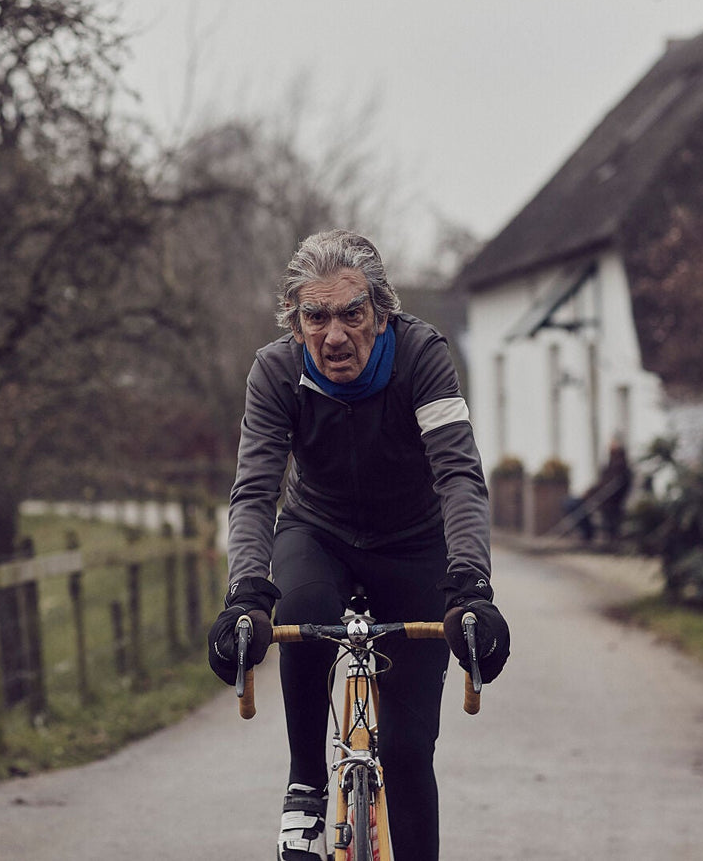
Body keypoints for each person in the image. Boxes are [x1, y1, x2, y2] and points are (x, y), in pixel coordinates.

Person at [206, 230, 510, 861]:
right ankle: (306, 785)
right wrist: (243, 596)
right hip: (320, 531)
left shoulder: (422, 356)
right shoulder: (276, 371)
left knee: (405, 750)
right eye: (315, 317)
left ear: (382, 311)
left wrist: (472, 587)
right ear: (295, 323)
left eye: (352, 314)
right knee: (301, 606)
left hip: (415, 543)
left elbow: (458, 475)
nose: (335, 335)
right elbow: (257, 490)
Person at [563, 436, 633, 546]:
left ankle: (588, 534)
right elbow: (600, 484)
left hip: (605, 501)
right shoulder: (608, 467)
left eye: (613, 450)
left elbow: (610, 489)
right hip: (597, 497)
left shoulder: (621, 470)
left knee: (573, 505)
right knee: (568, 503)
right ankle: (587, 533)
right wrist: (588, 492)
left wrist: (592, 495)